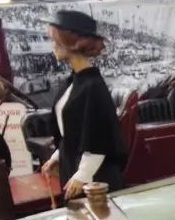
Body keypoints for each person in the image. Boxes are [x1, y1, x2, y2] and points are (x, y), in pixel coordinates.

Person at [41, 10, 128, 199]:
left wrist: (83, 174)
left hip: (94, 176)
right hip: (73, 166)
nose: (52, 46)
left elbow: (100, 138)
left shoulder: (93, 86)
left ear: (71, 43)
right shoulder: (72, 83)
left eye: (55, 40)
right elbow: (72, 131)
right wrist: (57, 156)